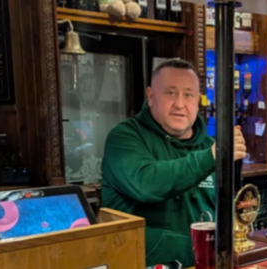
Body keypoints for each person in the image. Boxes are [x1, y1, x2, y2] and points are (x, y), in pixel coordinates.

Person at [101, 59, 246, 267]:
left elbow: (233, 207)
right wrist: (212, 157)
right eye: (170, 93)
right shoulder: (125, 138)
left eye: (188, 94)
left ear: (198, 101)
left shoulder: (209, 146)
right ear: (151, 97)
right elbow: (146, 184)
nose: (180, 104)